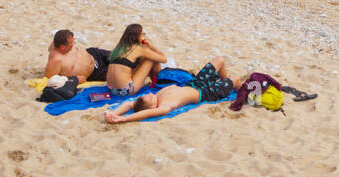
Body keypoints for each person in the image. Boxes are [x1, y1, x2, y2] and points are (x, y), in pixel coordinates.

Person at [105, 57, 235, 124]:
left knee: (219, 60)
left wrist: (114, 113)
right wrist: (124, 119)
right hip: (206, 93)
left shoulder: (155, 97)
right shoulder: (164, 106)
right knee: (235, 81)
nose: (150, 93)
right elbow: (144, 114)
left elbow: (129, 104)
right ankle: (241, 91)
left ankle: (227, 85)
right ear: (153, 107)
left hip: (194, 84)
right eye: (149, 97)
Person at [105, 23, 167, 96]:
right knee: (151, 59)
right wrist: (151, 46)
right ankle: (157, 83)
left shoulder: (119, 48)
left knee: (144, 58)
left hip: (111, 89)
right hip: (125, 90)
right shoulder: (138, 48)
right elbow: (163, 59)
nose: (144, 36)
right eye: (142, 34)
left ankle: (156, 81)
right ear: (137, 36)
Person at [46, 29, 112, 84]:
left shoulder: (58, 42)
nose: (73, 44)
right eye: (71, 44)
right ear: (62, 47)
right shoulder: (56, 60)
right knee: (118, 71)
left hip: (94, 54)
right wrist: (74, 79)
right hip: (95, 72)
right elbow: (51, 80)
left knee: (119, 57)